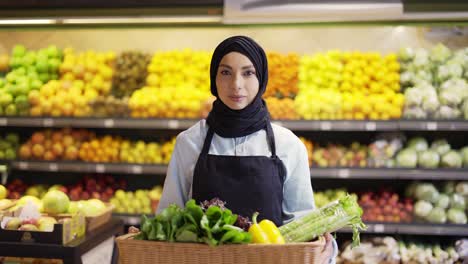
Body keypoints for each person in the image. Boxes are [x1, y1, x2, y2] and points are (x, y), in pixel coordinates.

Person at [157, 35, 337, 263]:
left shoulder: (288, 145)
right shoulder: (190, 141)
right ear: (214, 78)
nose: (236, 84)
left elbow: (302, 225)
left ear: (261, 77)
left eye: (248, 72)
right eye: (226, 72)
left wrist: (327, 252)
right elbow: (169, 216)